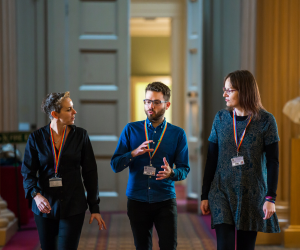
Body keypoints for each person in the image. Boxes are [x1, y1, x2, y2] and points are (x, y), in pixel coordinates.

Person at [200, 70, 280, 250]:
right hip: (221, 190)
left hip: (252, 193)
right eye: (224, 89)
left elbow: (273, 161)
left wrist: (271, 198)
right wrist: (205, 194)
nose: (224, 94)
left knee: (246, 246)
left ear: (243, 91)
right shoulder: (220, 118)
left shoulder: (266, 121)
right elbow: (211, 158)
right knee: (225, 245)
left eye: (230, 90)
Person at [21, 92, 106, 250]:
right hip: (44, 206)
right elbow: (28, 173)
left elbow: (90, 173)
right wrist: (36, 195)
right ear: (54, 114)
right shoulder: (36, 138)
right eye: (69, 109)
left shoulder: (81, 135)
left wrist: (95, 207)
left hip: (73, 205)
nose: (74, 112)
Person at [111, 82, 190, 250]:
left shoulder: (177, 134)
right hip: (137, 199)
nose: (150, 106)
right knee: (142, 247)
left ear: (167, 105)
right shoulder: (131, 130)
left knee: (169, 246)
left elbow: (184, 169)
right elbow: (115, 165)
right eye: (147, 101)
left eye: (155, 102)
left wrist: (172, 173)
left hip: (165, 200)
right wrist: (133, 153)